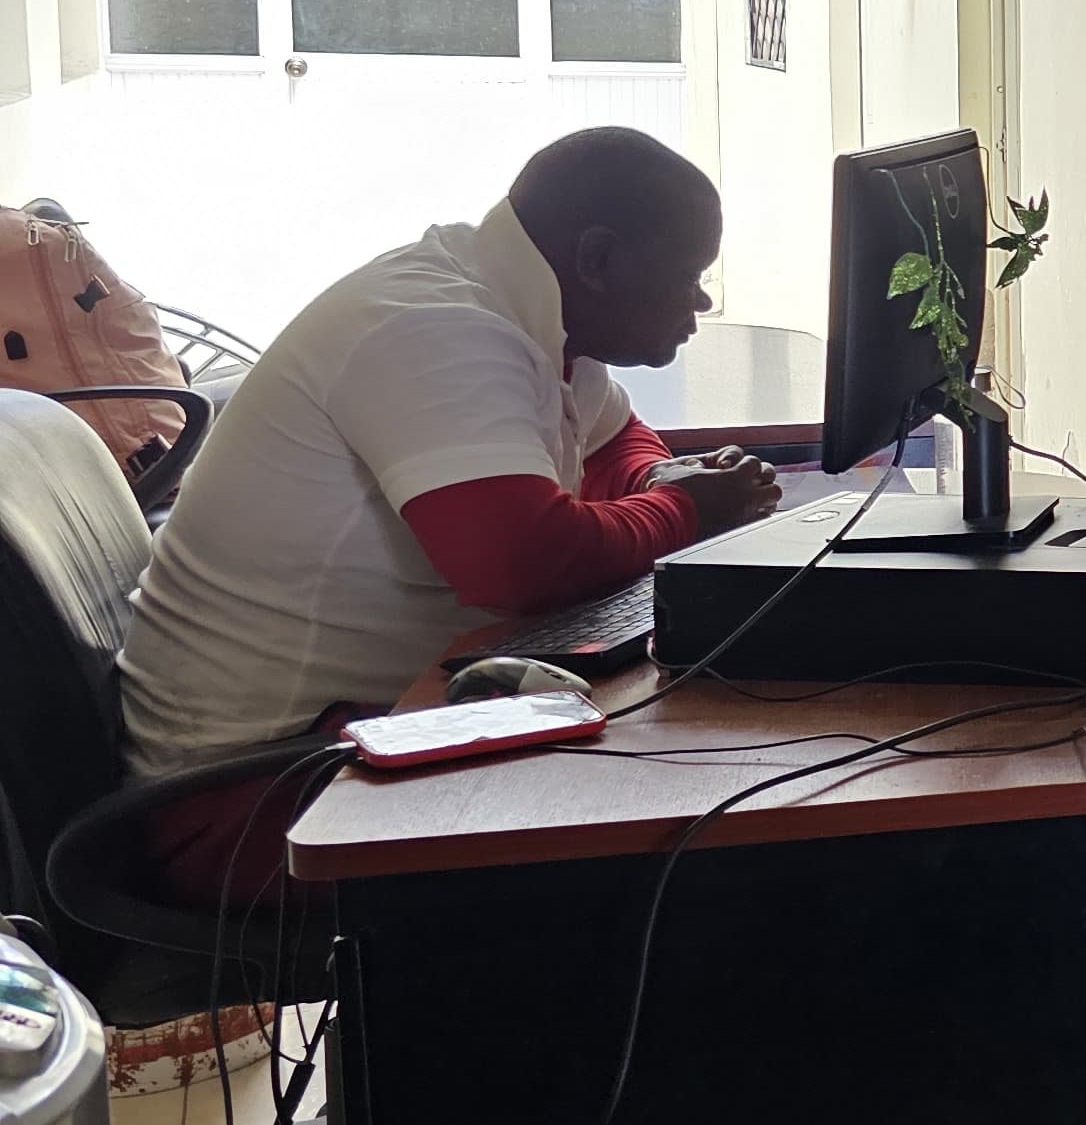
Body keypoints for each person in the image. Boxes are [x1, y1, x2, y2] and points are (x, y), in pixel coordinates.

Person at [118, 128, 782, 899]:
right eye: (689, 276)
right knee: (703, 843)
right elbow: (524, 564)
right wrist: (685, 509)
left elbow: (615, 439)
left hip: (367, 732)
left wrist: (661, 477)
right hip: (259, 797)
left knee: (698, 785)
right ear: (599, 260)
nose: (701, 301)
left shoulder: (535, 311)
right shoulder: (434, 327)